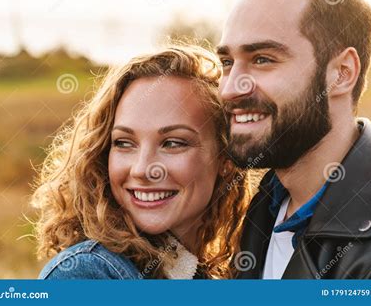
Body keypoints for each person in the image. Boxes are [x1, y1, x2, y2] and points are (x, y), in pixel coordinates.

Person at [217, 0, 371, 279]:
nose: (229, 89)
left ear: (342, 73)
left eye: (262, 59)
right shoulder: (270, 199)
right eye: (227, 62)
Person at [33, 45, 250, 279]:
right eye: (124, 143)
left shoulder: (215, 272)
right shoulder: (88, 273)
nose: (142, 169)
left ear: (225, 160)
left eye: (173, 143)